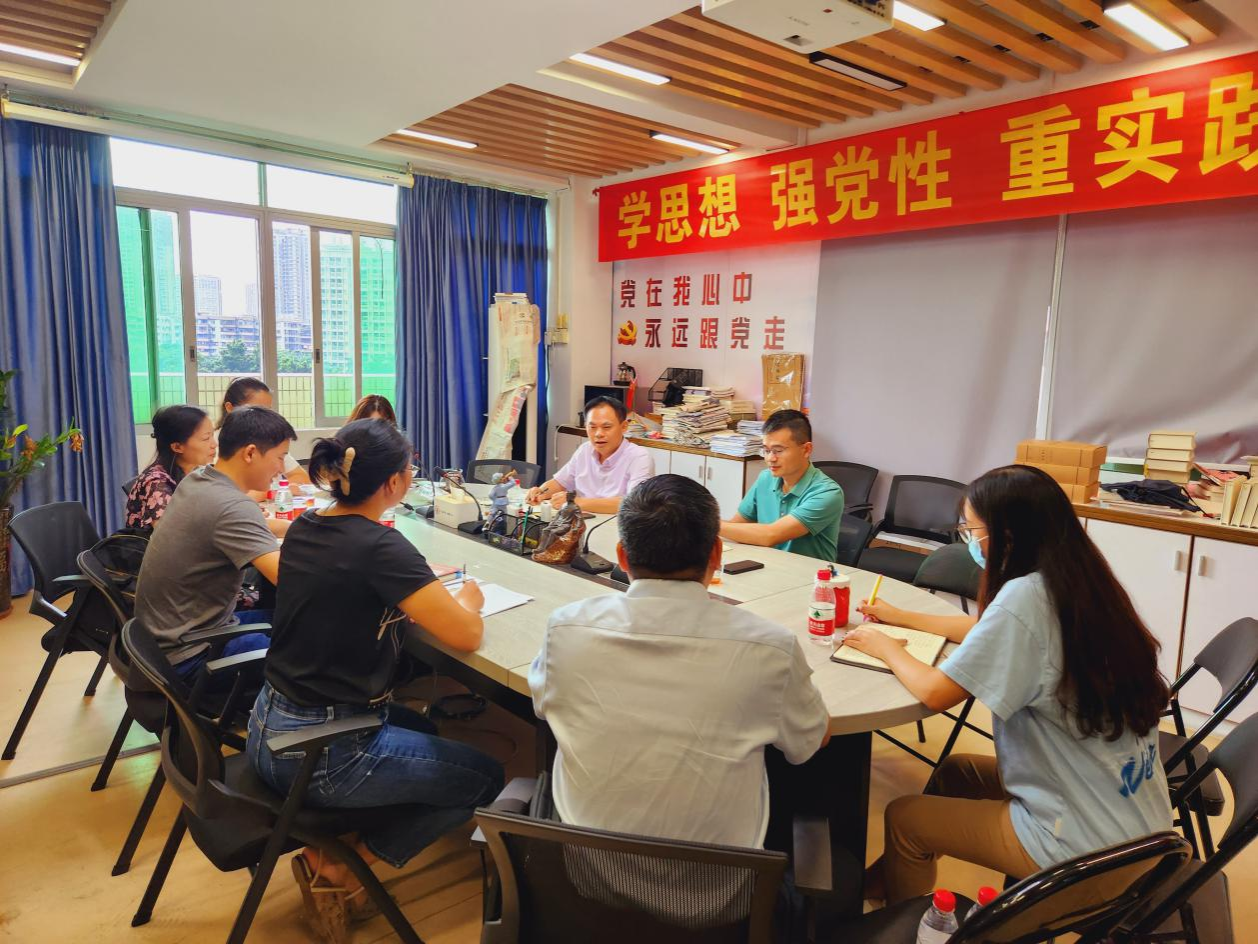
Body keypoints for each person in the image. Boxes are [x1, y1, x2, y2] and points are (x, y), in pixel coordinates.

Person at [844, 464, 1173, 905]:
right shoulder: (1081, 582)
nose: (969, 541)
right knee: (956, 773)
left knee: (906, 819)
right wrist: (900, 616)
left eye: (971, 530)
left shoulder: (1026, 598)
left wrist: (885, 647)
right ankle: (883, 881)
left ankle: (905, 925)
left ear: (1009, 536)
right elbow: (987, 630)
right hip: (1135, 821)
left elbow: (936, 692)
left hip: (1085, 846)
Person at [247, 418, 503, 938]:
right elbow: (466, 634)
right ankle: (349, 865)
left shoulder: (308, 525)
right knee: (486, 778)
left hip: (268, 726)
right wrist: (468, 601)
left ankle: (338, 842)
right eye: (409, 469)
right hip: (322, 753)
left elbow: (346, 596)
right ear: (393, 483)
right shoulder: (381, 547)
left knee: (426, 729)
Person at [530, 473, 830, 848]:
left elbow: (543, 705)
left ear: (622, 556)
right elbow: (811, 740)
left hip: (583, 870)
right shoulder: (771, 648)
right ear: (716, 554)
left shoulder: (565, 629)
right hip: (722, 880)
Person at [134, 406, 296, 679]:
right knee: (312, 652)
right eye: (279, 457)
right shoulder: (231, 504)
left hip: (164, 641)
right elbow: (292, 579)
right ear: (250, 453)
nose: (281, 469)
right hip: (190, 655)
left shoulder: (199, 479)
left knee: (292, 621)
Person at [720, 409, 844, 561]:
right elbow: (736, 526)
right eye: (766, 450)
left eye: (778, 450)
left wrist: (708, 523)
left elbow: (771, 535)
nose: (770, 458)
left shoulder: (827, 493)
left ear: (806, 449)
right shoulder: (765, 478)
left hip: (808, 574)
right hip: (767, 565)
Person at [526, 395, 653, 514]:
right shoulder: (585, 450)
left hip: (617, 525)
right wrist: (540, 492)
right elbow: (560, 482)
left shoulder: (639, 457)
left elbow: (634, 503)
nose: (598, 434)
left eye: (606, 427)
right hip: (582, 522)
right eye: (592, 427)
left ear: (624, 426)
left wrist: (576, 502)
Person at [125, 405, 217, 531]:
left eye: (212, 435)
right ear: (177, 447)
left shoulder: (196, 473)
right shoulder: (156, 483)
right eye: (206, 438)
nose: (214, 444)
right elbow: (170, 535)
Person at [218, 376, 310, 485]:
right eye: (255, 409)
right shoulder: (215, 444)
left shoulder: (269, 441)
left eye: (267, 410)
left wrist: (275, 489)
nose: (264, 416)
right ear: (230, 408)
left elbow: (302, 477)